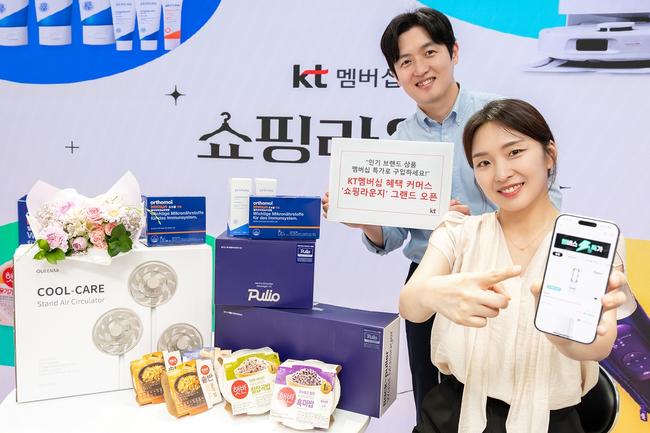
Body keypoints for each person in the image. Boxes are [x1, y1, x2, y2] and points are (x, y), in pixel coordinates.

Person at [321, 8, 562, 422]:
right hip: (429, 275)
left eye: (429, 52)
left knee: (512, 390)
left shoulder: (498, 118)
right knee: (434, 400)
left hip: (508, 272)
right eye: (405, 61)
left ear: (454, 52)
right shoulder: (398, 142)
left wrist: (480, 227)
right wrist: (365, 220)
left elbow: (546, 194)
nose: (420, 69)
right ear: (395, 73)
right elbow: (394, 235)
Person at [399, 98, 630, 433]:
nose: (501, 173)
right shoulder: (458, 232)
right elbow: (410, 304)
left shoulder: (592, 246)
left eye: (515, 152)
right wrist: (434, 293)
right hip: (452, 415)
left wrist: (564, 337)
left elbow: (599, 345)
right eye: (484, 162)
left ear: (549, 154)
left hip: (552, 422)